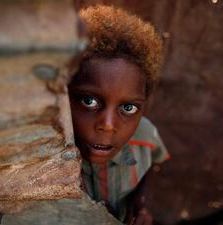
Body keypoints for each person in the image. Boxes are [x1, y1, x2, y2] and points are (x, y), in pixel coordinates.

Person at [68, 4, 170, 225]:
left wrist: (141, 200)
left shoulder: (145, 135)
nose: (108, 125)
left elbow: (155, 162)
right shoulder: (51, 150)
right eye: (89, 101)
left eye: (128, 108)